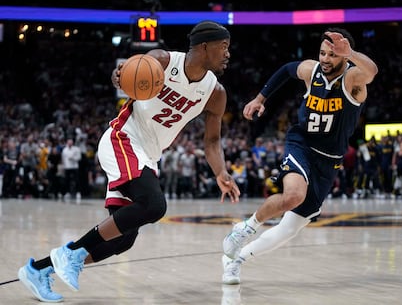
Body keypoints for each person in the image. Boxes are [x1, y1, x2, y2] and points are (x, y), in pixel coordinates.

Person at [18, 20, 240, 302]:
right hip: (123, 139)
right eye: (224, 46)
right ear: (205, 46)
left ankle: (39, 270)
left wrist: (221, 172)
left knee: (123, 238)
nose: (228, 53)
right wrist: (118, 75)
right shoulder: (162, 60)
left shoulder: (215, 93)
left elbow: (212, 142)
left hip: (148, 155)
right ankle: (69, 254)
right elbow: (127, 73)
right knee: (154, 205)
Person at [221, 27, 378, 285]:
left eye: (333, 55)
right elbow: (285, 70)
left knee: (289, 229)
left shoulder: (353, 81)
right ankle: (245, 229)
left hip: (329, 159)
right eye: (323, 53)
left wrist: (351, 53)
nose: (326, 59)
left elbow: (371, 71)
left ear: (345, 57)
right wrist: (261, 98)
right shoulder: (311, 70)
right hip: (302, 143)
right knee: (294, 195)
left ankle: (235, 261)